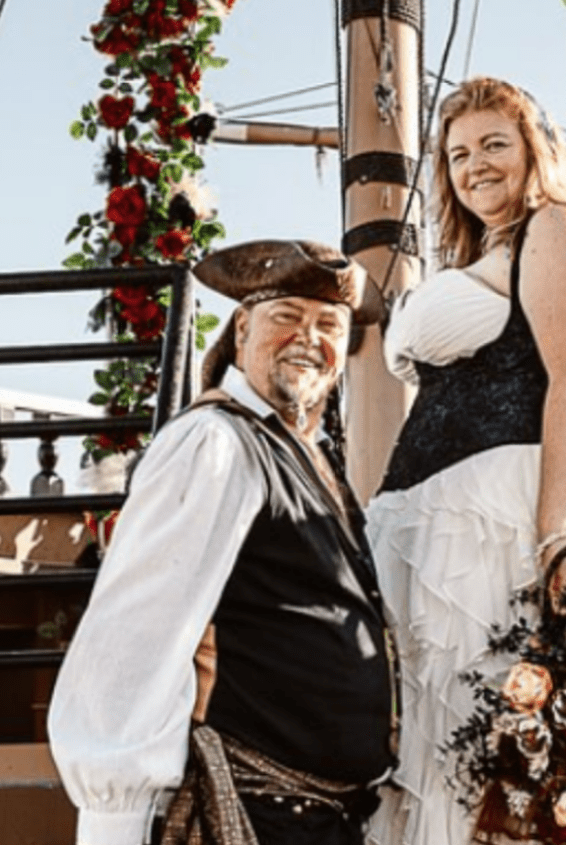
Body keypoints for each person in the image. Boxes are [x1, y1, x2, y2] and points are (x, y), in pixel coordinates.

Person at [363, 77, 566, 844]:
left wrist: (552, 537)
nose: (475, 166)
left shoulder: (555, 228)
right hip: (436, 519)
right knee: (444, 738)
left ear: (535, 149)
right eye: (458, 154)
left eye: (495, 144)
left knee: (512, 740)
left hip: (505, 515)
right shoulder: (487, 250)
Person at [49, 239, 399, 845]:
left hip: (323, 820)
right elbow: (136, 634)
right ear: (241, 330)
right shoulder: (214, 442)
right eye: (285, 317)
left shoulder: (308, 460)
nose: (307, 339)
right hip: (253, 809)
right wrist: (114, 822)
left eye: (328, 326)